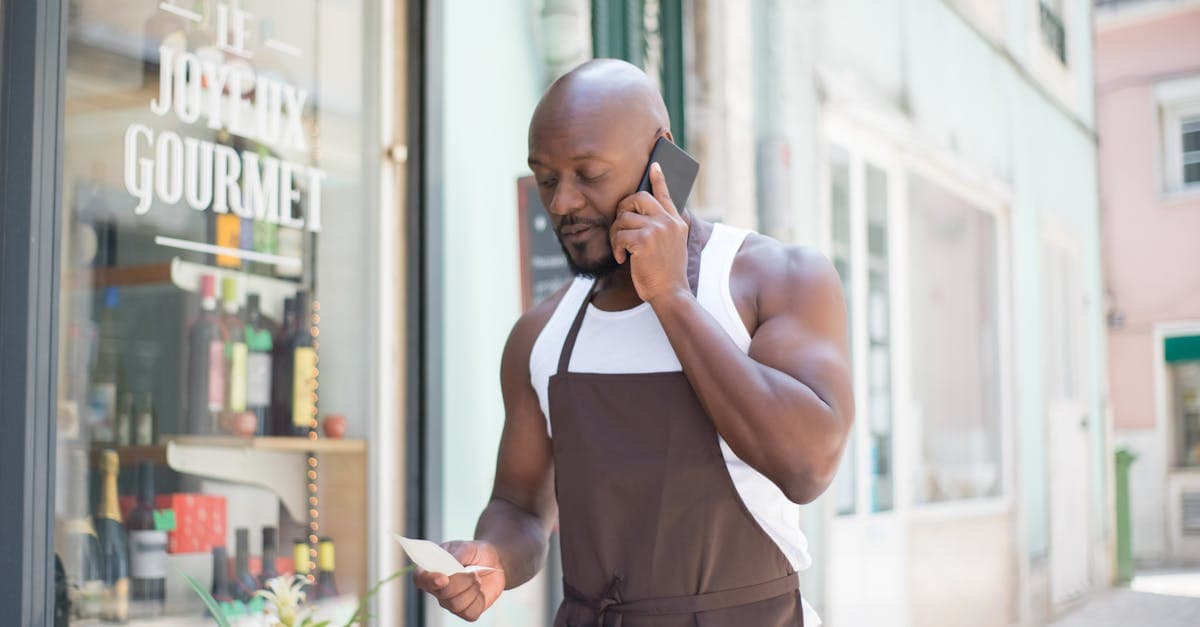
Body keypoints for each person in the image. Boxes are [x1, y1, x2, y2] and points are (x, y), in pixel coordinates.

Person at [414, 59, 853, 626]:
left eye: (588, 174)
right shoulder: (539, 335)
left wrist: (670, 296)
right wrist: (493, 558)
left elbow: (807, 467)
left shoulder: (777, 280)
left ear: (659, 160)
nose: (562, 202)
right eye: (546, 179)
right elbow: (519, 506)